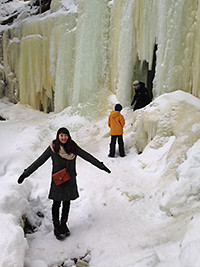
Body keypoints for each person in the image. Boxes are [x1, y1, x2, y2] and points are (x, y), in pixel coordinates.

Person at [17, 127, 111, 240]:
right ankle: (56, 226)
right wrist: (25, 174)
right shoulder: (53, 148)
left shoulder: (73, 147)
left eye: (65, 135)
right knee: (56, 203)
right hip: (58, 180)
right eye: (61, 135)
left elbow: (87, 157)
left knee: (67, 202)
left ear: (68, 136)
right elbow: (39, 161)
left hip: (70, 180)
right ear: (58, 136)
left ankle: (64, 224)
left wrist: (102, 166)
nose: (63, 138)